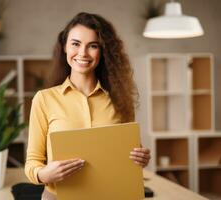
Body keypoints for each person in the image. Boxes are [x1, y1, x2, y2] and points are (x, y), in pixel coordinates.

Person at [25, 12, 151, 200]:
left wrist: (141, 157)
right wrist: (44, 174)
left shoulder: (120, 100)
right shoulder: (44, 99)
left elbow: (128, 155)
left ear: (103, 51)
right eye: (75, 44)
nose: (82, 53)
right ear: (65, 47)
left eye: (93, 46)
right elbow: (32, 163)